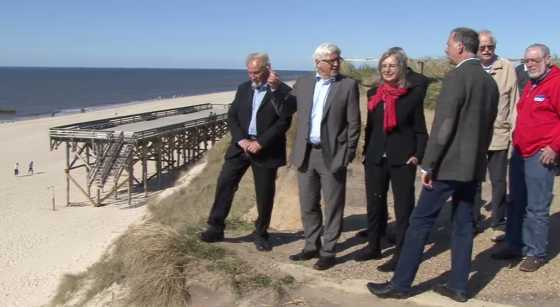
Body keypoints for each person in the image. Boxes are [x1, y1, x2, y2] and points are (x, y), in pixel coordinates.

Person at [367, 27, 499, 302]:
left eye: (448, 44)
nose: (445, 49)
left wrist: (428, 164)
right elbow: (486, 127)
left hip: (447, 166)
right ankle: (459, 287)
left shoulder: (456, 78)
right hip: (473, 166)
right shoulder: (489, 82)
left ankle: (401, 284)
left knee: (419, 222)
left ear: (460, 47)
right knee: (463, 226)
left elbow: (443, 127)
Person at [199, 52, 293, 252]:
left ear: (268, 68)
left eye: (256, 72)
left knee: (264, 193)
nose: (252, 76)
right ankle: (215, 227)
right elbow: (232, 115)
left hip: (265, 150)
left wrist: (261, 143)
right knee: (225, 184)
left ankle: (261, 233)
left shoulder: (283, 90)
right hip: (240, 147)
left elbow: (284, 120)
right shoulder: (243, 88)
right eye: (249, 72)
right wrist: (241, 139)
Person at [287, 42, 361, 270]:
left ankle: (329, 250)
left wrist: (346, 155)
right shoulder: (303, 83)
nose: (337, 64)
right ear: (318, 63)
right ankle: (311, 245)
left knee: (333, 205)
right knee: (308, 203)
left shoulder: (347, 86)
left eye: (339, 59)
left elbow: (354, 124)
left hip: (332, 155)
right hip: (305, 153)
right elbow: (285, 106)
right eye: (332, 60)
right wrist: (274, 87)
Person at [357, 47, 428, 273]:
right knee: (374, 202)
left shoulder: (411, 93)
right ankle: (373, 246)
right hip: (376, 156)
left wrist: (418, 155)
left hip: (402, 158)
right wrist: (366, 152)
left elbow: (420, 130)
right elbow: (370, 127)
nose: (387, 69)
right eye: (384, 66)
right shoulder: (373, 94)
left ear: (402, 68)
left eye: (392, 65)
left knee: (403, 206)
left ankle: (401, 253)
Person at [491, 43, 560, 272]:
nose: (529, 64)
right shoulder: (531, 83)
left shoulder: (556, 83)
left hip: (541, 155)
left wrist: (554, 147)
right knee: (515, 201)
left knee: (537, 207)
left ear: (547, 60)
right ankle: (513, 243)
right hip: (520, 151)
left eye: (535, 60)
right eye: (526, 60)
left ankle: (536, 252)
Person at [473, 30, 519, 241]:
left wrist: (514, 133)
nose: (486, 50)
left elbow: (514, 103)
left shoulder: (507, 68)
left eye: (490, 46)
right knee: (472, 179)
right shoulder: (470, 68)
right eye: (482, 47)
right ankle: (471, 219)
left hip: (499, 133)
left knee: (499, 180)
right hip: (473, 135)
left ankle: (499, 219)